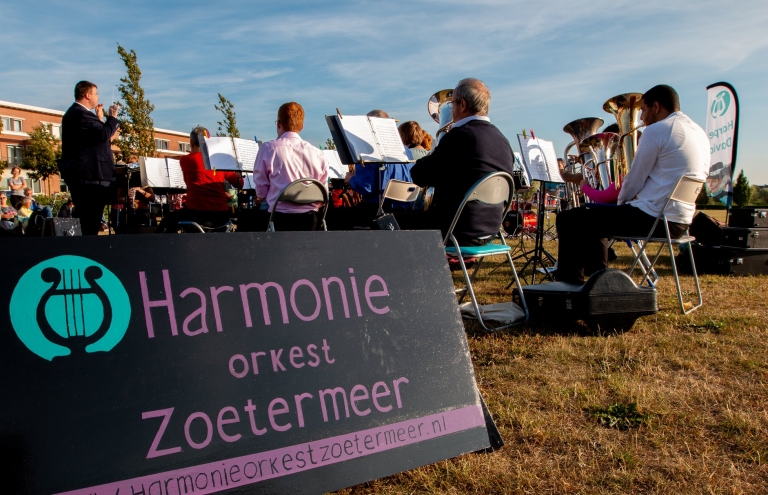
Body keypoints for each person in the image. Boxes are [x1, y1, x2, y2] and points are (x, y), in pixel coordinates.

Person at [554, 84, 710, 283]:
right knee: (592, 220)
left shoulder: (659, 130)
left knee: (569, 219)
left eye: (643, 110)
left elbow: (634, 179)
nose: (642, 118)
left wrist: (619, 204)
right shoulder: (699, 132)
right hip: (681, 221)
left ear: (656, 106)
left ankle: (569, 288)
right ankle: (598, 282)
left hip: (655, 218)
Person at [409, 78, 516, 245]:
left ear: (463, 105)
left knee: (386, 222)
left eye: (451, 104)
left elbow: (419, 175)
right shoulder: (502, 140)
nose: (451, 110)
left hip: (455, 231)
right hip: (489, 231)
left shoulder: (459, 136)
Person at [252, 102, 329, 231]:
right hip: (310, 222)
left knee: (261, 207)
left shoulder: (268, 149)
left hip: (279, 220)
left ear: (278, 123)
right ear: (302, 127)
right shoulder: (318, 154)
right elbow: (323, 196)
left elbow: (261, 191)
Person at [156, 126, 244, 232]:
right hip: (221, 214)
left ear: (192, 143)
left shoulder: (185, 160)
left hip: (197, 213)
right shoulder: (218, 161)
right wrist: (238, 174)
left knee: (168, 221)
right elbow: (240, 184)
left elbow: (187, 182)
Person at [60, 81, 120, 235]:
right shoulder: (81, 114)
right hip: (90, 176)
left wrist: (100, 120)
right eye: (96, 94)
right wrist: (112, 119)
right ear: (87, 95)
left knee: (90, 220)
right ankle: (85, 252)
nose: (98, 97)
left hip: (86, 176)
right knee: (89, 220)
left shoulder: (78, 114)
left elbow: (96, 139)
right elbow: (103, 135)